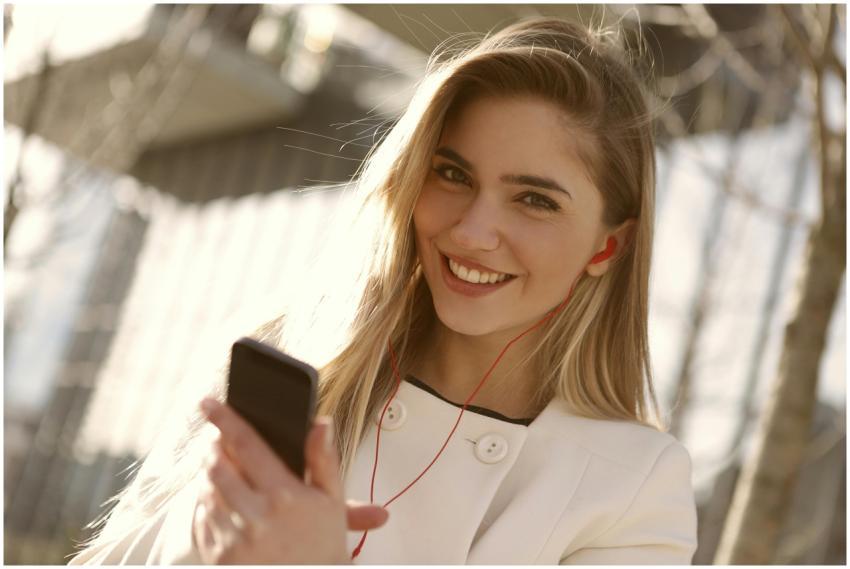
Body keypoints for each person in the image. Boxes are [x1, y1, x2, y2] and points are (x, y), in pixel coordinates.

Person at [67, 17, 698, 565]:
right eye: (452, 174)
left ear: (607, 245)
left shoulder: (633, 486)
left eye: (534, 200)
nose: (472, 231)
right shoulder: (288, 352)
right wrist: (202, 535)